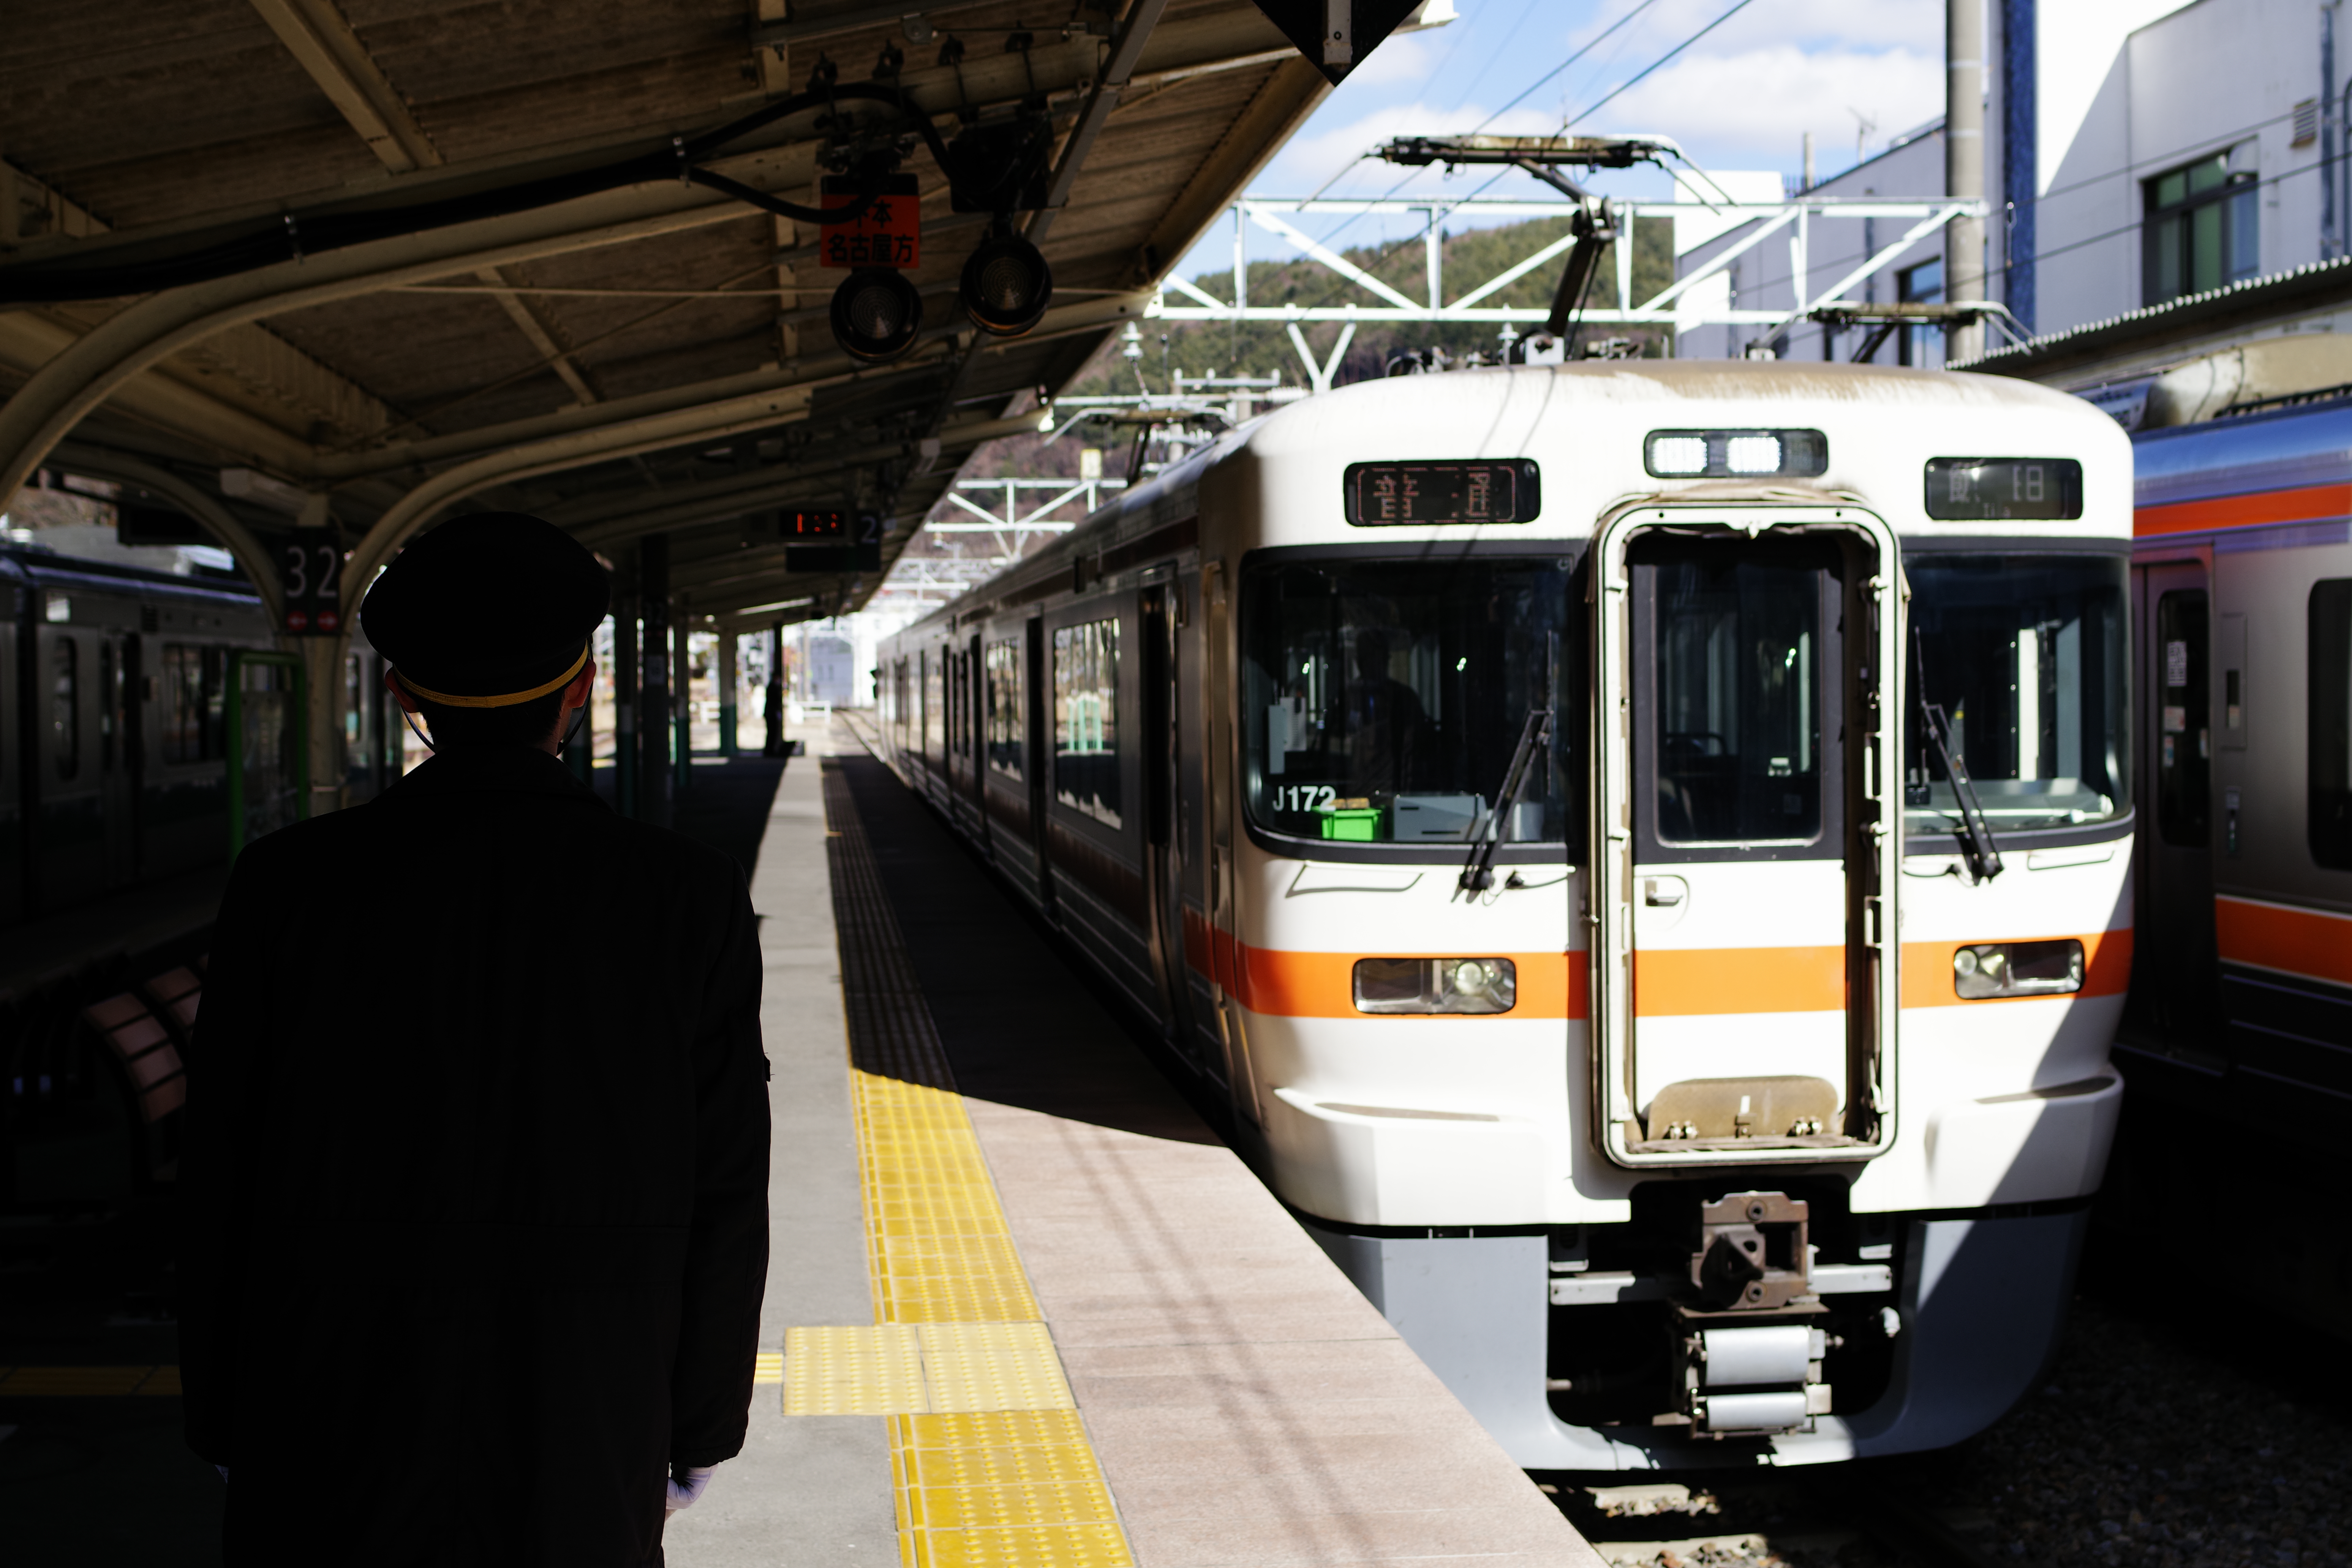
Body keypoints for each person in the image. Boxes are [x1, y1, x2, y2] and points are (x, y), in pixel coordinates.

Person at [179, 513, 770, 1566]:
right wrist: (697, 1425)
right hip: (588, 1408)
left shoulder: (284, 887)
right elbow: (725, 1187)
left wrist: (224, 1413)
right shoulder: (689, 897)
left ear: (406, 699)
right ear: (581, 688)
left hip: (324, 1405)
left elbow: (221, 1167)